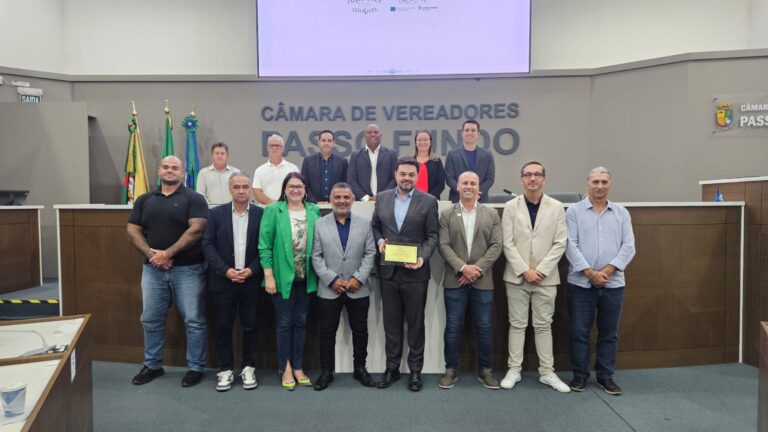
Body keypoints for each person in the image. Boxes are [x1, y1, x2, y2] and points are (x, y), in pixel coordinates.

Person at [126, 155, 208, 387]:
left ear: (182, 173)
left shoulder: (194, 198)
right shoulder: (144, 199)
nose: (170, 170)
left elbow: (197, 229)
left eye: (174, 168)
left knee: (194, 320)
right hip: (153, 271)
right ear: (159, 170)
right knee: (150, 319)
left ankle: (195, 367)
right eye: (165, 167)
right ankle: (152, 365)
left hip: (188, 270)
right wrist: (153, 256)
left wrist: (167, 253)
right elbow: (132, 230)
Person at [500, 161, 570, 393]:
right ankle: (514, 370)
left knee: (543, 326)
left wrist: (540, 270)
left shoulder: (556, 207)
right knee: (517, 325)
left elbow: (560, 242)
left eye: (537, 174)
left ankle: (547, 372)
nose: (532, 178)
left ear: (544, 179)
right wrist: (524, 270)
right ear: (521, 179)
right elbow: (507, 242)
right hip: (517, 277)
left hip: (545, 278)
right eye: (528, 174)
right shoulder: (511, 206)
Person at [565, 166, 635, 395]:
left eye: (604, 182)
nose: (599, 186)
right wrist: (590, 273)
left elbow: (629, 246)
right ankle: (580, 376)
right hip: (580, 284)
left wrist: (606, 271)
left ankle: (605, 376)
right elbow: (569, 245)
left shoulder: (621, 213)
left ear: (610, 184)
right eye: (595, 182)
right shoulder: (574, 212)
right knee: (579, 332)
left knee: (609, 334)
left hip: (613, 284)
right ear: (588, 184)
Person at [371, 156, 439, 392]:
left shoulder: (429, 201)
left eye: (411, 174)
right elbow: (375, 226)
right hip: (388, 273)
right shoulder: (382, 198)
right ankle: (392, 368)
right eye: (403, 174)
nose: (407, 178)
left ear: (417, 176)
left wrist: (423, 257)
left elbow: (432, 236)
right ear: (395, 175)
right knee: (391, 325)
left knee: (416, 325)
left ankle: (416, 371)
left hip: (415, 274)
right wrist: (379, 241)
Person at [437, 171, 502, 389]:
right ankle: (451, 369)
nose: (468, 186)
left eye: (473, 183)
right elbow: (443, 245)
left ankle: (485, 370)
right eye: (465, 182)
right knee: (453, 327)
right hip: (455, 280)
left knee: (484, 327)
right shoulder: (446, 214)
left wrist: (476, 270)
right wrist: (463, 268)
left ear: (478, 188)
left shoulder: (491, 214)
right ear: (457, 186)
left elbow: (496, 245)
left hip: (483, 281)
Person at [310, 182, 377, 391]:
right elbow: (316, 256)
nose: (342, 201)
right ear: (330, 200)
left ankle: (360, 368)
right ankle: (326, 371)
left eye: (346, 197)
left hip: (358, 288)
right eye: (337, 197)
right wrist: (332, 280)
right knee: (327, 333)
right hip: (329, 289)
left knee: (360, 331)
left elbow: (370, 253)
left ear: (353, 200)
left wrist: (359, 278)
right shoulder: (320, 224)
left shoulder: (365, 224)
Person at [201, 173, 264, 392]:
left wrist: (252, 269)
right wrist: (226, 270)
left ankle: (248, 367)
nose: (241, 191)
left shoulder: (261, 214)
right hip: (223, 280)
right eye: (236, 187)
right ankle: (226, 369)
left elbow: (266, 246)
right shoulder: (215, 214)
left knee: (250, 326)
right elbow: (207, 244)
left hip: (251, 280)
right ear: (230, 189)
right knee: (223, 327)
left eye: (245, 187)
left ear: (250, 189)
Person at [258, 172, 320, 390]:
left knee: (301, 322)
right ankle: (285, 367)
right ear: (284, 189)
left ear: (305, 190)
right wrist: (268, 276)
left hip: (306, 277)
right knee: (284, 323)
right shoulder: (274, 210)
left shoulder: (313, 211)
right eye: (291, 186)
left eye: (299, 186)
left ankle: (298, 367)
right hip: (280, 278)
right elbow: (264, 245)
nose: (295, 190)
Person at [445, 120, 495, 203]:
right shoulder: (452, 154)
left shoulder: (487, 155)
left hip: (480, 199)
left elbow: (490, 178)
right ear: (462, 133)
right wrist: (463, 192)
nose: (469, 133)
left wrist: (476, 193)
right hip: (457, 199)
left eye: (473, 130)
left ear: (478, 134)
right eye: (467, 130)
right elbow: (449, 178)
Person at [347, 124, 398, 201]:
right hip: (362, 202)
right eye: (369, 132)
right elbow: (351, 179)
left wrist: (381, 196)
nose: (373, 134)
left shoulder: (391, 154)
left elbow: (394, 178)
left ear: (380, 136)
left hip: (386, 201)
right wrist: (365, 197)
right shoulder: (355, 155)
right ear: (365, 136)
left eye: (376, 132)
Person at [301, 130, 348, 203]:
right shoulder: (308, 161)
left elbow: (345, 185)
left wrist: (336, 200)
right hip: (313, 205)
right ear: (318, 142)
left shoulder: (342, 162)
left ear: (333, 143)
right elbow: (304, 185)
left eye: (329, 141)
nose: (326, 143)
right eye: (323, 140)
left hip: (336, 204)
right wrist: (315, 202)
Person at [252, 134, 299, 205]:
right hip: (266, 209)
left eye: (277, 145)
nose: (274, 148)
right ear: (267, 148)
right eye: (272, 145)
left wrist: (283, 206)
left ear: (283, 148)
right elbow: (257, 192)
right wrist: (274, 205)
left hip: (287, 208)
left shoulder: (293, 168)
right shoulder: (259, 170)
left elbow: (297, 190)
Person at [413, 130, 446, 200]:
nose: (422, 142)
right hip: (412, 200)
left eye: (425, 140)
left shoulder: (437, 161)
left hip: (431, 201)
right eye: (419, 140)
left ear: (430, 142)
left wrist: (428, 198)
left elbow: (441, 184)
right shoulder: (410, 162)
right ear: (415, 143)